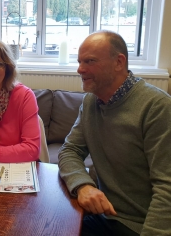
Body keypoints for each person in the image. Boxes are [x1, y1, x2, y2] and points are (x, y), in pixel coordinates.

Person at [58, 30, 171, 235]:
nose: (79, 69)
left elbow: (167, 188)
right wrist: (83, 186)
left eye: (89, 61)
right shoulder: (91, 101)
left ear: (119, 62)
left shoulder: (157, 107)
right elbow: (70, 150)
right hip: (104, 216)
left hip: (139, 225)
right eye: (79, 61)